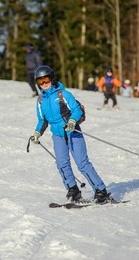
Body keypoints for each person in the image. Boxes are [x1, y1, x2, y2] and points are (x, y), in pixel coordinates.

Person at [31, 65, 110, 204]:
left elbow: (77, 110)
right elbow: (42, 120)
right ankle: (73, 190)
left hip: (73, 132)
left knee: (82, 163)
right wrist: (37, 132)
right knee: (62, 164)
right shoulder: (41, 100)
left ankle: (101, 191)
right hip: (57, 136)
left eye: (46, 79)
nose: (44, 84)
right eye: (40, 81)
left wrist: (72, 121)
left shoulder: (63, 94)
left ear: (52, 78)